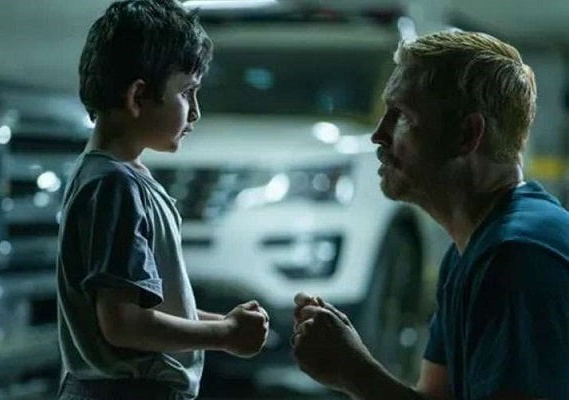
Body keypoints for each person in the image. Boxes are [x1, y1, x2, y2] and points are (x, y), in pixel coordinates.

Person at [291, 30, 569, 400]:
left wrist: (355, 373)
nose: (379, 135)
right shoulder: (469, 253)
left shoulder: (519, 258)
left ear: (467, 134)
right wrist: (350, 366)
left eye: (402, 116)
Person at [56, 1, 269, 399]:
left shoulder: (112, 176)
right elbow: (123, 323)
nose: (196, 112)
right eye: (187, 93)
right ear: (138, 96)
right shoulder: (115, 186)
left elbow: (151, 308)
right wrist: (224, 335)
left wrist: (221, 322)